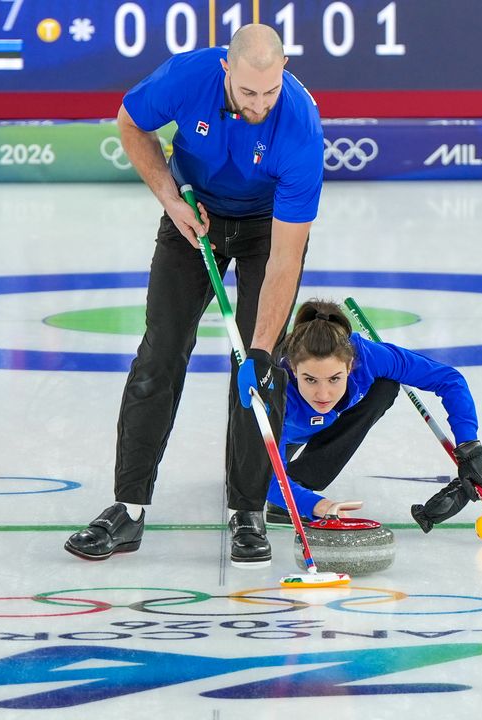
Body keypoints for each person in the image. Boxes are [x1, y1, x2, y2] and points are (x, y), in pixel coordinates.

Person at [65, 25, 324, 567]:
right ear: (227, 71)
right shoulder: (188, 75)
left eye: (270, 92)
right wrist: (171, 199)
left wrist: (259, 349)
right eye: (248, 92)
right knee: (159, 354)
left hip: (263, 231)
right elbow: (132, 123)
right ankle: (128, 508)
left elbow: (284, 257)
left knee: (261, 371)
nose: (260, 105)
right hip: (191, 215)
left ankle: (247, 512)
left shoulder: (299, 126)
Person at [262, 300, 482, 531]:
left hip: (323, 423)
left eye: (334, 378)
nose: (323, 393)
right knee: (254, 477)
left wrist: (469, 446)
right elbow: (269, 480)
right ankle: (289, 499)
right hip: (278, 432)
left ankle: (301, 481)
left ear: (351, 364)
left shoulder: (370, 357)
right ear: (293, 369)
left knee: (385, 385)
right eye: (310, 379)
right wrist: (317, 505)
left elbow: (449, 379)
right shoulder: (274, 390)